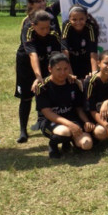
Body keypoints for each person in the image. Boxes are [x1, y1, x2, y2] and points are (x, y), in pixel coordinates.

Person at [15, 10, 67, 143]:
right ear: (33, 25)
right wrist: (38, 77)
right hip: (26, 65)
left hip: (45, 64)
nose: (45, 30)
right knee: (26, 97)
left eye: (48, 27)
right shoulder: (28, 31)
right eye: (42, 28)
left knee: (44, 92)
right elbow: (33, 55)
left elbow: (58, 55)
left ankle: (43, 122)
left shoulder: (53, 34)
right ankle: (23, 131)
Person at [36, 53, 95, 159]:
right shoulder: (43, 86)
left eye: (66, 69)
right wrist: (70, 125)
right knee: (64, 131)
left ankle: (69, 141)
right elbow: (47, 112)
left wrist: (86, 121)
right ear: (50, 69)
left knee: (87, 144)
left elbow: (78, 107)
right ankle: (53, 145)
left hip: (71, 119)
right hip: (50, 121)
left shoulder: (73, 83)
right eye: (58, 69)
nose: (63, 73)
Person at [62, 5, 99, 79]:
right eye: (74, 19)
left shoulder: (91, 27)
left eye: (81, 19)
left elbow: (93, 52)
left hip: (86, 59)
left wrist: (94, 72)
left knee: (88, 80)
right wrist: (70, 73)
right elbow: (65, 50)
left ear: (86, 17)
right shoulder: (66, 25)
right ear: (69, 19)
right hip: (72, 60)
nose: (78, 22)